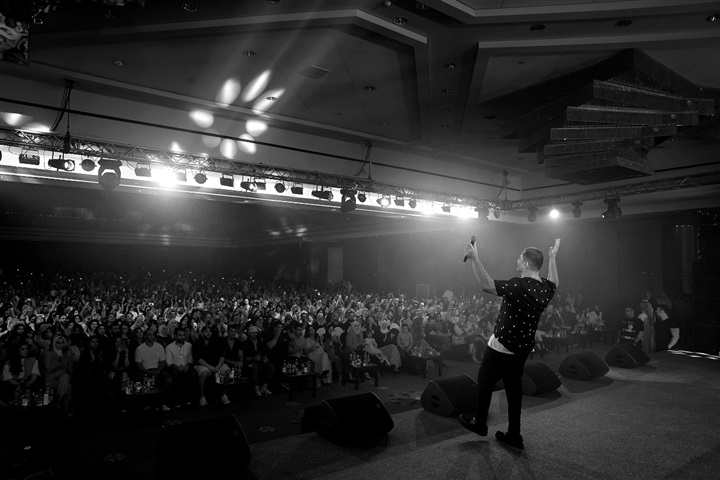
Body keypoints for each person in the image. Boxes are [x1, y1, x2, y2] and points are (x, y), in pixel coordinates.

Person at [459, 238, 560, 450]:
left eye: (519, 258)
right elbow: (555, 282)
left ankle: (480, 423)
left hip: (502, 344)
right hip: (523, 347)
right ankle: (514, 434)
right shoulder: (545, 288)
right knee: (514, 388)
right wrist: (552, 258)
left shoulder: (519, 285)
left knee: (485, 381)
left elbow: (487, 285)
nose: (517, 260)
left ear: (526, 263)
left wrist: (475, 259)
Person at [193, 325, 230, 406]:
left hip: (217, 364)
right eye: (206, 332)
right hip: (202, 365)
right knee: (204, 374)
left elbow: (222, 355)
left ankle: (223, 395)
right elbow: (198, 358)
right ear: (202, 333)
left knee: (228, 371)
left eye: (210, 331)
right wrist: (210, 367)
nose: (208, 333)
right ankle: (202, 397)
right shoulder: (197, 343)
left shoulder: (216, 342)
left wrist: (218, 366)